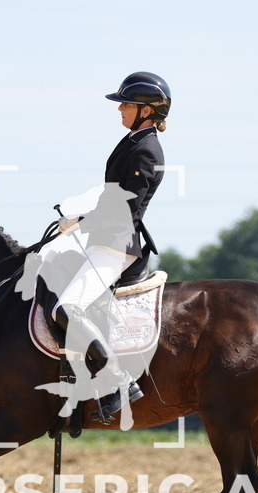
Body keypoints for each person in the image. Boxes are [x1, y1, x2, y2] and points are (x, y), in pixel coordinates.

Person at [50, 71, 171, 424]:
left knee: (67, 308)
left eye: (126, 105)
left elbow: (125, 210)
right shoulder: (133, 141)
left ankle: (117, 379)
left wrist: (81, 221)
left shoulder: (146, 150)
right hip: (104, 241)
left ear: (146, 111)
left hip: (117, 246)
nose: (120, 110)